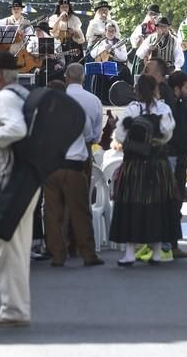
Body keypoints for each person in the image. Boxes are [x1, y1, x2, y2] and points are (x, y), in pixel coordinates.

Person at [0, 52, 40, 327]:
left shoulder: (4, 98)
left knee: (5, 247)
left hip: (6, 179)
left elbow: (16, 129)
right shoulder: (21, 94)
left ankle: (13, 310)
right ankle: (17, 307)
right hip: (24, 178)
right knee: (17, 247)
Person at [110, 74, 179, 266]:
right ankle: (157, 252)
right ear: (156, 89)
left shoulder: (131, 110)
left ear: (136, 90)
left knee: (131, 205)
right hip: (158, 164)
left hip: (134, 164)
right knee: (158, 205)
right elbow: (167, 134)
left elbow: (120, 135)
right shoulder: (164, 109)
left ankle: (130, 253)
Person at [43, 64, 105, 267]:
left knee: (53, 212)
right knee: (80, 210)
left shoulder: (46, 113)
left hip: (52, 166)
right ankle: (87, 253)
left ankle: (57, 255)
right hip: (75, 164)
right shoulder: (80, 111)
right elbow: (91, 136)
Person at [166, 71, 187, 259]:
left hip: (178, 157)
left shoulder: (175, 107)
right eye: (186, 87)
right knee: (174, 200)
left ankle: (171, 243)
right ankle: (172, 243)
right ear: (177, 89)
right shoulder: (173, 109)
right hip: (175, 158)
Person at [49, 0, 85, 65]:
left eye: (66, 7)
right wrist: (60, 18)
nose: (64, 9)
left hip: (73, 47)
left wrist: (74, 32)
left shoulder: (75, 19)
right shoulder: (53, 18)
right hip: (59, 47)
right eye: (62, 7)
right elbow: (52, 30)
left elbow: (81, 38)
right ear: (59, 8)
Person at [130, 4, 160, 75]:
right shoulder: (141, 27)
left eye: (156, 14)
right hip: (143, 58)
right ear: (148, 15)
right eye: (151, 14)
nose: (154, 16)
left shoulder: (160, 28)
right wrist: (140, 40)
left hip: (157, 57)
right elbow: (134, 44)